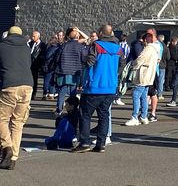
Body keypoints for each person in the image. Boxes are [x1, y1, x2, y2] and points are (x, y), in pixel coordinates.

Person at [72, 24, 124, 154]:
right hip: (110, 87)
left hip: (94, 86)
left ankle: (84, 142)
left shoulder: (97, 46)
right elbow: (122, 66)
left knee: (85, 115)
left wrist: (83, 57)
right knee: (104, 115)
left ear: (101, 33)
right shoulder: (118, 49)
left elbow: (89, 62)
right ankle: (101, 144)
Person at [0, 26, 33, 171]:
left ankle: (6, 146)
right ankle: (13, 158)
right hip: (28, 85)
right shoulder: (26, 48)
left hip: (9, 84)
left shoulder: (2, 46)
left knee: (2, 118)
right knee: (18, 122)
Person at [124, 32, 159, 126]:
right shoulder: (156, 48)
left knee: (136, 95)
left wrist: (133, 65)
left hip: (143, 75)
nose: (144, 40)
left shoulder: (148, 48)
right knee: (144, 96)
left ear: (149, 38)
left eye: (146, 38)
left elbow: (140, 59)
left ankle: (135, 117)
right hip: (150, 75)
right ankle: (144, 116)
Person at [53, 26, 87, 115]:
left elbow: (57, 58)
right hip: (75, 72)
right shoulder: (81, 47)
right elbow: (84, 59)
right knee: (73, 92)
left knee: (62, 92)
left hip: (62, 71)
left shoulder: (63, 46)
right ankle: (72, 110)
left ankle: (59, 110)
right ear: (77, 37)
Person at [28, 30, 46, 98]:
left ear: (38, 37)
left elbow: (43, 55)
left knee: (34, 80)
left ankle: (33, 93)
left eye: (34, 36)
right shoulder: (30, 43)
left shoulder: (42, 45)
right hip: (29, 64)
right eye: (32, 36)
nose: (32, 37)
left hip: (36, 65)